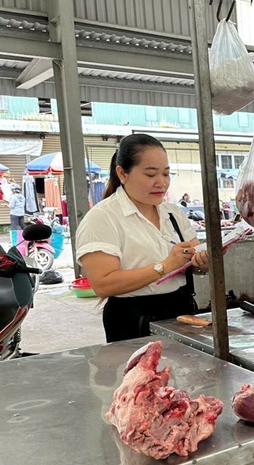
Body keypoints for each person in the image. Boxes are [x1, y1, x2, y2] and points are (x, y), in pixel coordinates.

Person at [75, 134, 210, 342]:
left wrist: (203, 261)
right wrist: (164, 266)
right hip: (133, 321)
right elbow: (103, 284)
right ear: (122, 173)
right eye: (150, 175)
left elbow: (194, 262)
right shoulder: (103, 218)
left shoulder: (173, 213)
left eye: (166, 174)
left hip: (181, 312)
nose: (161, 183)